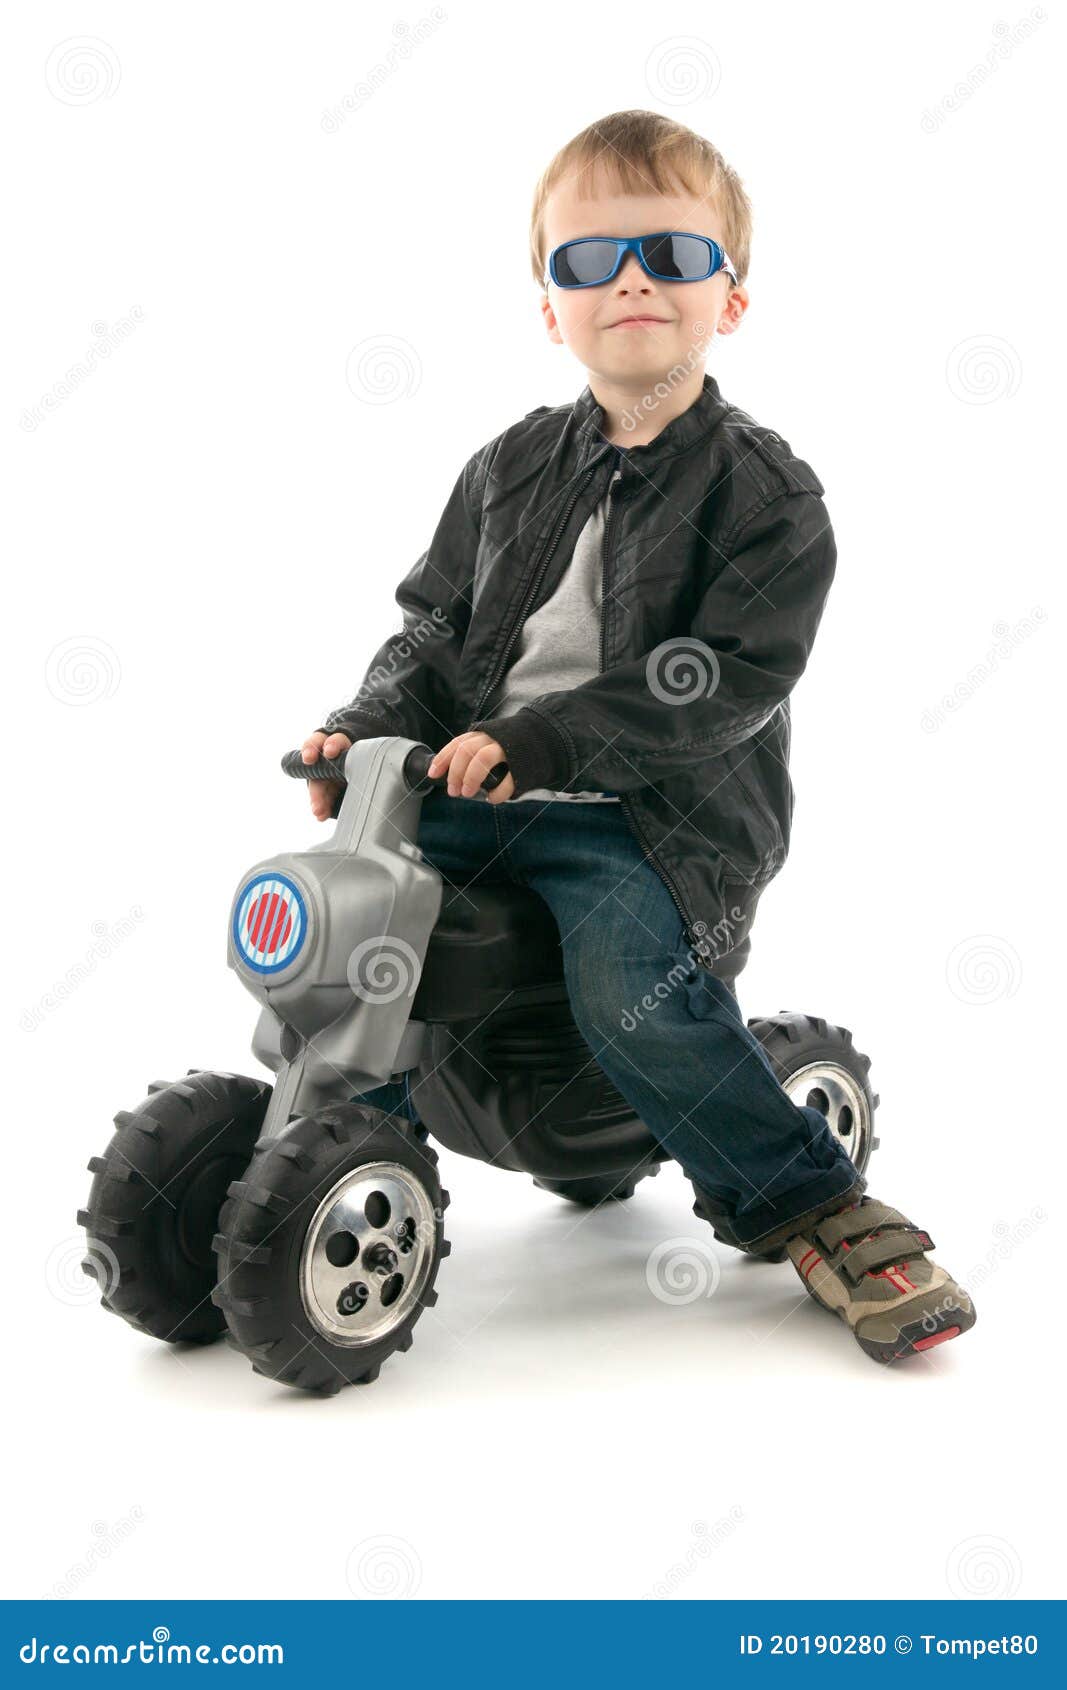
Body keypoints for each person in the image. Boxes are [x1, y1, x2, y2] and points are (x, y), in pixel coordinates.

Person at [299, 110, 974, 1362]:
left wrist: (550, 741)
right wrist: (365, 729)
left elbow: (721, 680)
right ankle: (337, 1150)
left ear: (733, 296)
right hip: (477, 790)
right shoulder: (506, 466)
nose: (629, 282)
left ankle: (807, 1201)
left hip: (646, 819)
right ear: (546, 307)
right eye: (586, 260)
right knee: (340, 928)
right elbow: (433, 628)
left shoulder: (764, 495)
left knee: (633, 992)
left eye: (670, 253)